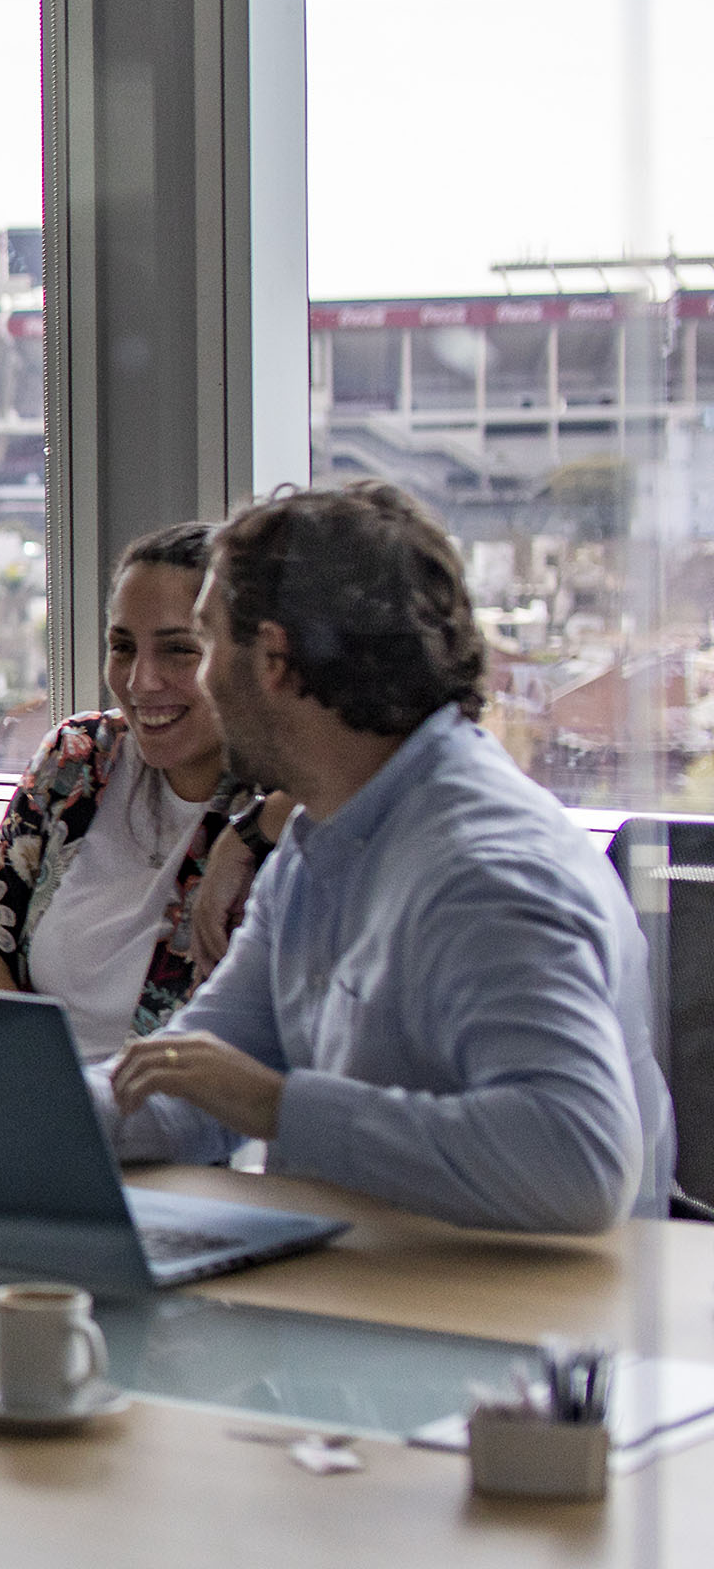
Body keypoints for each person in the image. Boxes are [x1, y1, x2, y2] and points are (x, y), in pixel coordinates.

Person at [102, 480, 668, 1233]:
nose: (202, 681)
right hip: (367, 1281)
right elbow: (184, 1087)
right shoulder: (319, 844)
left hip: (509, 1304)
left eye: (206, 646)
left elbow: (578, 1160)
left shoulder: (485, 869)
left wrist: (277, 1107)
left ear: (272, 658)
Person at [0, 523, 295, 1060]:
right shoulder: (78, 758)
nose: (140, 681)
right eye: (122, 647)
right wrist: (41, 1089)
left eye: (179, 650)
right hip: (35, 1094)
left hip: (179, 1109)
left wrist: (253, 831)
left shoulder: (284, 802)